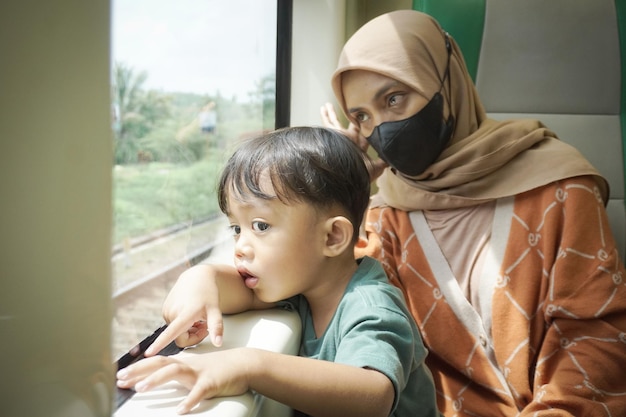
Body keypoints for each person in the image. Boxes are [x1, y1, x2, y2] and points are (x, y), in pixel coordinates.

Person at [318, 9, 626, 417]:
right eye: (362, 117)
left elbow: (594, 335)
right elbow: (335, 302)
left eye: (394, 98)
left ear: (444, 82)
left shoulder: (560, 188)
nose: (382, 129)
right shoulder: (384, 216)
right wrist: (348, 187)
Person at [116, 126, 441, 417]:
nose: (240, 246)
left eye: (260, 225)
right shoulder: (302, 285)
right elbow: (229, 287)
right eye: (235, 229)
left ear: (332, 237)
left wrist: (249, 364)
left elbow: (373, 396)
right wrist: (199, 281)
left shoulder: (372, 307)